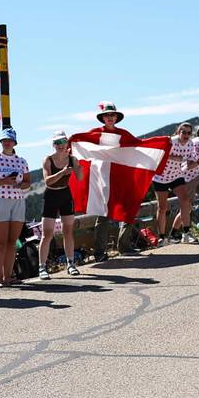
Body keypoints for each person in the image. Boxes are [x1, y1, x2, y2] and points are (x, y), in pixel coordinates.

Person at [0, 127, 32, 286]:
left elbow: (28, 183)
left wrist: (19, 184)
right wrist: (3, 181)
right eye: (4, 140)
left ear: (14, 142)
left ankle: (8, 276)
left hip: (16, 201)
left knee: (12, 241)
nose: (7, 143)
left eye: (9, 140)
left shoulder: (21, 161)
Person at [88, 102, 137, 257]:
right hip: (103, 178)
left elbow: (139, 146)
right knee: (104, 214)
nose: (110, 117)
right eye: (107, 115)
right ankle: (100, 251)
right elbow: (81, 143)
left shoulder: (124, 134)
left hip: (122, 178)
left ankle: (124, 245)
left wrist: (161, 143)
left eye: (112, 115)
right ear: (103, 118)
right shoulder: (95, 134)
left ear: (116, 117)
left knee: (129, 209)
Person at [38, 131, 79, 279]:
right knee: (47, 234)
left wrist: (78, 164)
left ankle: (71, 263)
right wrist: (62, 173)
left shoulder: (72, 159)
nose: (61, 145)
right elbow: (47, 181)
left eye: (63, 142)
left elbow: (80, 177)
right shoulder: (48, 159)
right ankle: (42, 267)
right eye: (57, 143)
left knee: (68, 230)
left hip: (65, 194)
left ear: (67, 143)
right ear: (53, 145)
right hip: (51, 195)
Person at [152, 123, 196, 242]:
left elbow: (189, 163)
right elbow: (160, 155)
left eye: (189, 133)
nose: (186, 135)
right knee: (162, 207)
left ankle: (186, 233)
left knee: (185, 201)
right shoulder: (171, 142)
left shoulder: (190, 144)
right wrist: (177, 158)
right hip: (161, 176)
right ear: (178, 132)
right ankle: (161, 237)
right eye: (184, 132)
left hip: (176, 175)